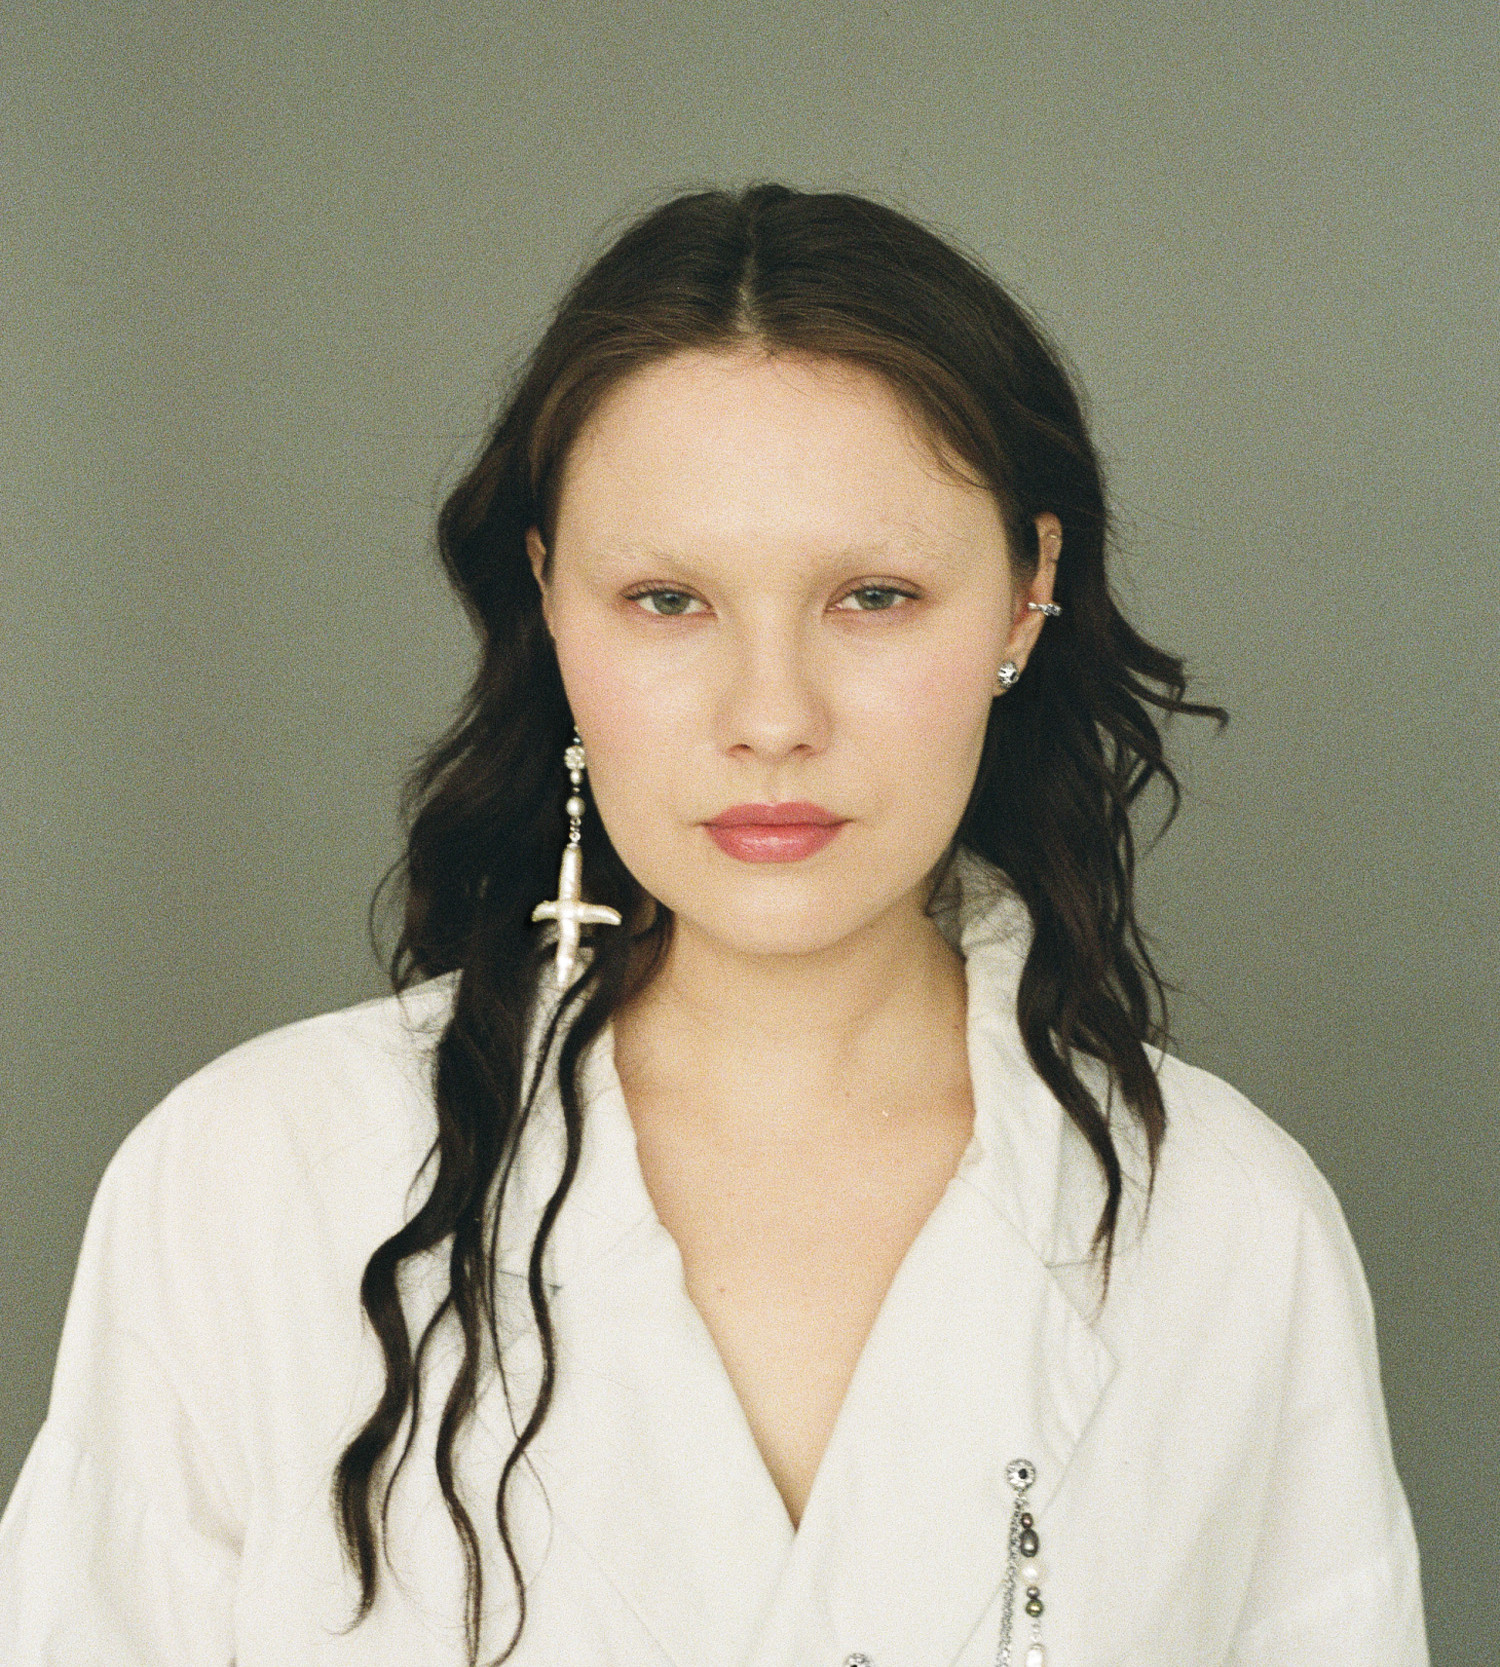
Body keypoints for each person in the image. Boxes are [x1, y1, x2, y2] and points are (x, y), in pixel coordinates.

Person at [0, 184, 1426, 1666]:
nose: (771, 718)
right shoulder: (250, 1182)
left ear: (1026, 594)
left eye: (872, 597)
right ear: (551, 599)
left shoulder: (1233, 1229)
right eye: (669, 600)